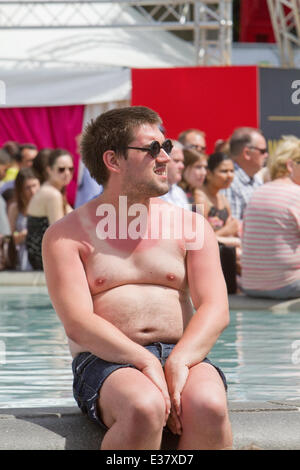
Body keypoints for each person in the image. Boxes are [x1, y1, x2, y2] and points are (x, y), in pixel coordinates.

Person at [42, 106, 232, 450]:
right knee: (144, 407)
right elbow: (78, 323)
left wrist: (178, 361)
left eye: (167, 147)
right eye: (152, 149)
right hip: (104, 360)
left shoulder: (192, 225)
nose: (166, 158)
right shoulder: (65, 235)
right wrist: (145, 361)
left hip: (183, 350)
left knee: (209, 406)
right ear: (113, 161)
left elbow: (215, 307)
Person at [241, 136, 300, 299]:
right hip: (287, 284)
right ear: (290, 165)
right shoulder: (297, 195)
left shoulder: (257, 192)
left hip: (250, 285)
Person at [196, 152, 241, 293]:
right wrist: (226, 231)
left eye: (232, 171)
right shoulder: (199, 198)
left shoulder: (222, 198)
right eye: (224, 171)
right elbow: (197, 237)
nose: (229, 176)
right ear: (209, 173)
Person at [26, 148, 73, 270]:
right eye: (61, 169)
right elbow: (59, 236)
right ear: (49, 170)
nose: (67, 173)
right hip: (45, 260)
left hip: (40, 257)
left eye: (71, 169)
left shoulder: (53, 191)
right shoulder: (52, 195)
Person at [221, 127, 268, 220]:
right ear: (247, 153)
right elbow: (233, 227)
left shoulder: (256, 180)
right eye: (262, 151)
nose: (266, 155)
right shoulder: (229, 181)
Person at [7, 168, 40, 271]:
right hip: (22, 259)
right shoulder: (15, 208)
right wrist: (24, 234)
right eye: (27, 188)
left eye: (34, 185)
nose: (33, 191)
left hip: (41, 257)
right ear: (21, 190)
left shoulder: (46, 204)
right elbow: (12, 237)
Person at [160, 140, 189, 208]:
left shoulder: (179, 192)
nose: (182, 166)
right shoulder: (153, 192)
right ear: (163, 160)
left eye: (182, 161)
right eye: (176, 161)